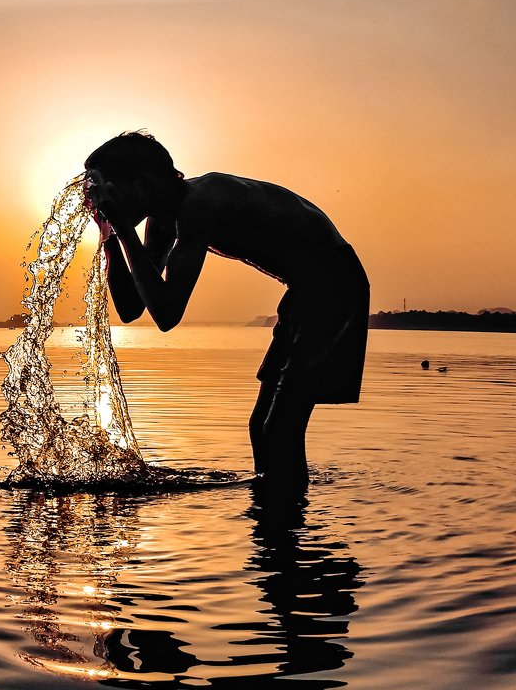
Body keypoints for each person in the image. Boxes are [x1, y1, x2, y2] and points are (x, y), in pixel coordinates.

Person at [83, 131, 369, 498]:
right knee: (261, 427)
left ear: (144, 182)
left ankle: (286, 521)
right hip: (306, 291)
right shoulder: (164, 218)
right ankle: (276, 523)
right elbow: (131, 307)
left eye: (110, 189)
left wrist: (123, 228)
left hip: (335, 285)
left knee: (279, 427)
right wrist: (109, 233)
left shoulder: (201, 202)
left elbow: (168, 313)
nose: (106, 198)